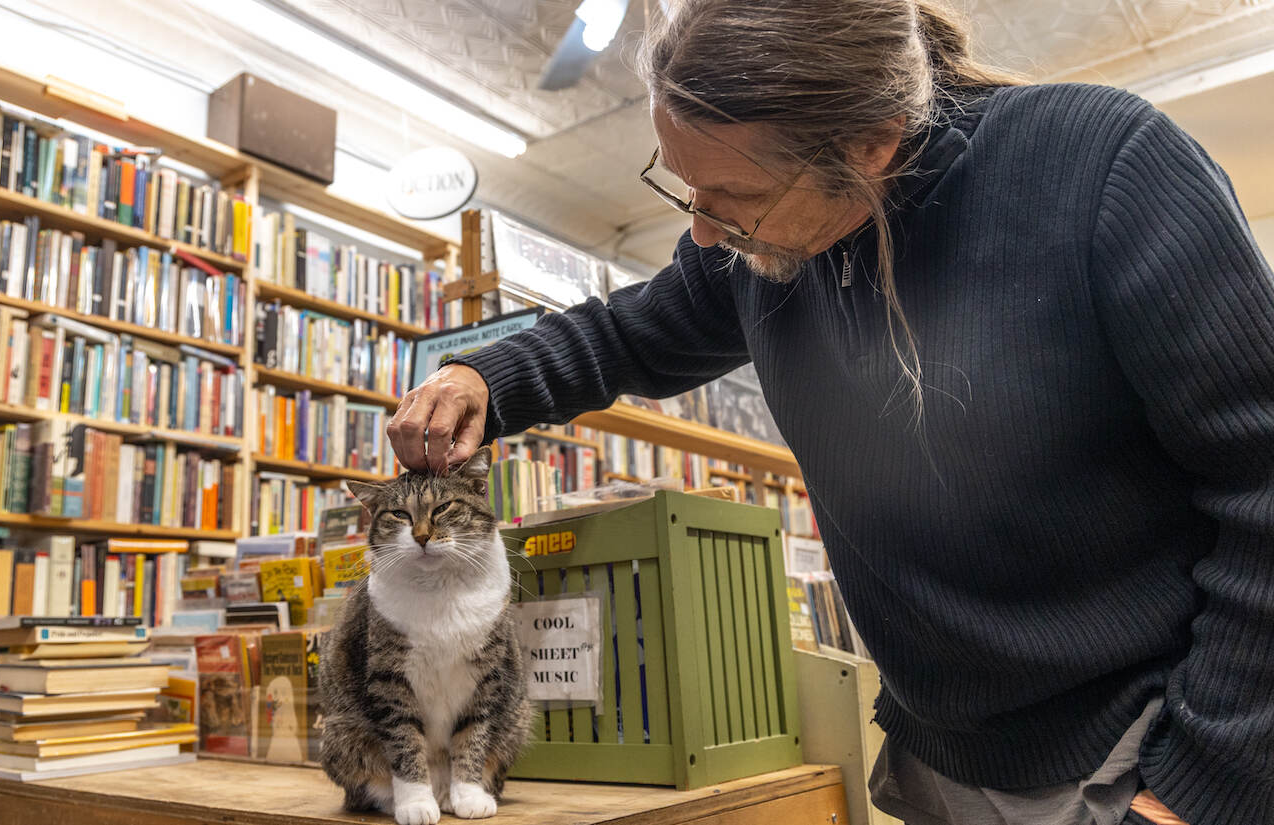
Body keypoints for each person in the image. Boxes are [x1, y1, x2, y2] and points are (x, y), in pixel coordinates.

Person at [384, 2, 1274, 824]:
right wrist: (481, 378)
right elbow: (623, 334)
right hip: (940, 754)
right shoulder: (752, 249)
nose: (702, 232)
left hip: (1135, 752)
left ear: (872, 145)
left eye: (732, 199)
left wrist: (1201, 781)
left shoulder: (1105, 166)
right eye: (684, 187)